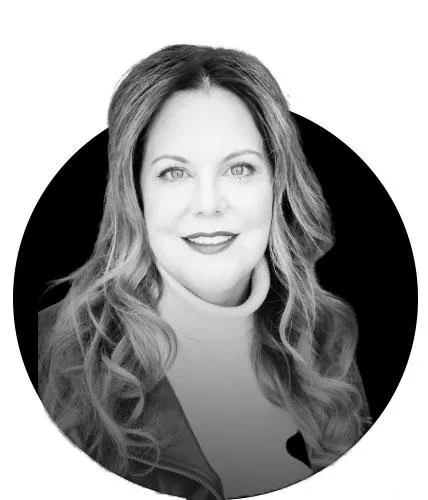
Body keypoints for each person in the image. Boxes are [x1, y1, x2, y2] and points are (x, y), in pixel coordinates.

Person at [38, 44, 372, 500]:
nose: (210, 204)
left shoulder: (325, 337)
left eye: (240, 168)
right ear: (135, 193)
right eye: (174, 173)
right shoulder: (48, 351)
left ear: (276, 184)